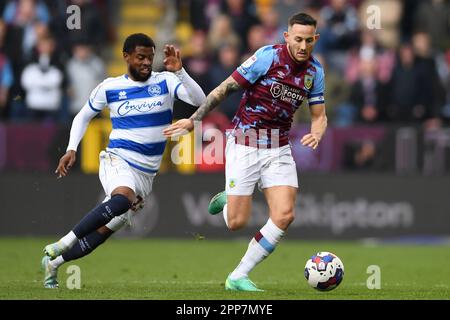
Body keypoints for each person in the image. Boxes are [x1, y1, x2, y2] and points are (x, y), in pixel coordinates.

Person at [163, 12, 327, 292]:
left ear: (316, 39)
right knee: (236, 223)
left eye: (308, 41)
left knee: (285, 215)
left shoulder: (315, 72)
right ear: (287, 37)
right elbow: (224, 89)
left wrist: (317, 131)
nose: (303, 46)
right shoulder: (267, 57)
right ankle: (230, 200)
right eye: (298, 39)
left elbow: (319, 115)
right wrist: (194, 119)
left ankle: (238, 276)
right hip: (245, 142)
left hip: (278, 147)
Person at [41, 33, 206, 288]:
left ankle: (54, 263)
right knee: (121, 199)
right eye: (140, 57)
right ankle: (64, 241)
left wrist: (181, 71)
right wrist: (72, 148)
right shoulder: (110, 87)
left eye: (150, 58)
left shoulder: (166, 81)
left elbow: (201, 102)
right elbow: (83, 116)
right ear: (126, 56)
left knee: (105, 231)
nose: (146, 63)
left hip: (146, 175)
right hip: (118, 160)